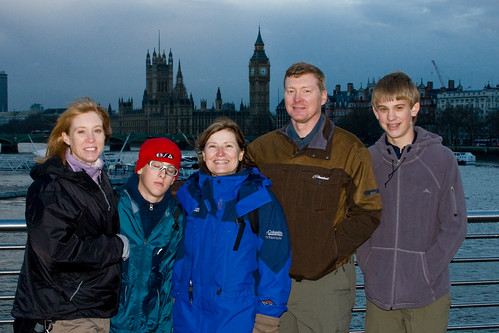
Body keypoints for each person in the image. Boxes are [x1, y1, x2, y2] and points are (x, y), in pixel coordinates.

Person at [247, 62, 382, 332]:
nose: (298, 99)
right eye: (291, 91)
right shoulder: (260, 150)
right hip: (270, 283)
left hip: (325, 285)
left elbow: (368, 212)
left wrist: (328, 251)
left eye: (306, 91)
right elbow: (237, 200)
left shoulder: (350, 149)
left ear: (323, 96)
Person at [356, 71, 467, 333]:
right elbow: (358, 219)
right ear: (375, 112)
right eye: (384, 109)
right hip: (379, 295)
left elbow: (455, 225)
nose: (391, 117)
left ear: (414, 108)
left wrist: (427, 271)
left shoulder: (442, 159)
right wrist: (370, 263)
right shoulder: (366, 161)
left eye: (398, 108)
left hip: (428, 295)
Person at [12, 97, 129, 333]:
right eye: (81, 131)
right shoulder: (51, 186)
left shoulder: (97, 178)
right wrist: (117, 246)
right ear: (65, 137)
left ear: (106, 135)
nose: (90, 139)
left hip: (93, 307)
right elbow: (56, 252)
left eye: (97, 131)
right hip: (65, 313)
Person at [172, 117, 291, 333]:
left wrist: (267, 319)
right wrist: (174, 297)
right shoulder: (188, 198)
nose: (220, 153)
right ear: (203, 154)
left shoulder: (260, 200)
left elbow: (275, 264)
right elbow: (178, 257)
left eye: (228, 146)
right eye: (213, 147)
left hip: (238, 318)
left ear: (242, 153)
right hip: (188, 317)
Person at [110, 138, 184, 333]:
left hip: (152, 325)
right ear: (140, 168)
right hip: (110, 323)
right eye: (156, 165)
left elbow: (168, 282)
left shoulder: (177, 218)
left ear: (174, 177)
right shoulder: (112, 206)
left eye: (170, 170)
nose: (162, 174)